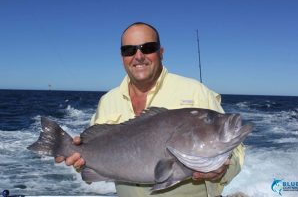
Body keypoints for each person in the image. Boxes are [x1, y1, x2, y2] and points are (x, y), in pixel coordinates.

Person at [55, 22, 245, 197]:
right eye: (129, 50)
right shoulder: (108, 101)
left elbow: (236, 151)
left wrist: (223, 170)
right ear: (122, 57)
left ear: (161, 52)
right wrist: (77, 159)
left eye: (148, 48)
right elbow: (90, 156)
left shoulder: (195, 91)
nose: (138, 56)